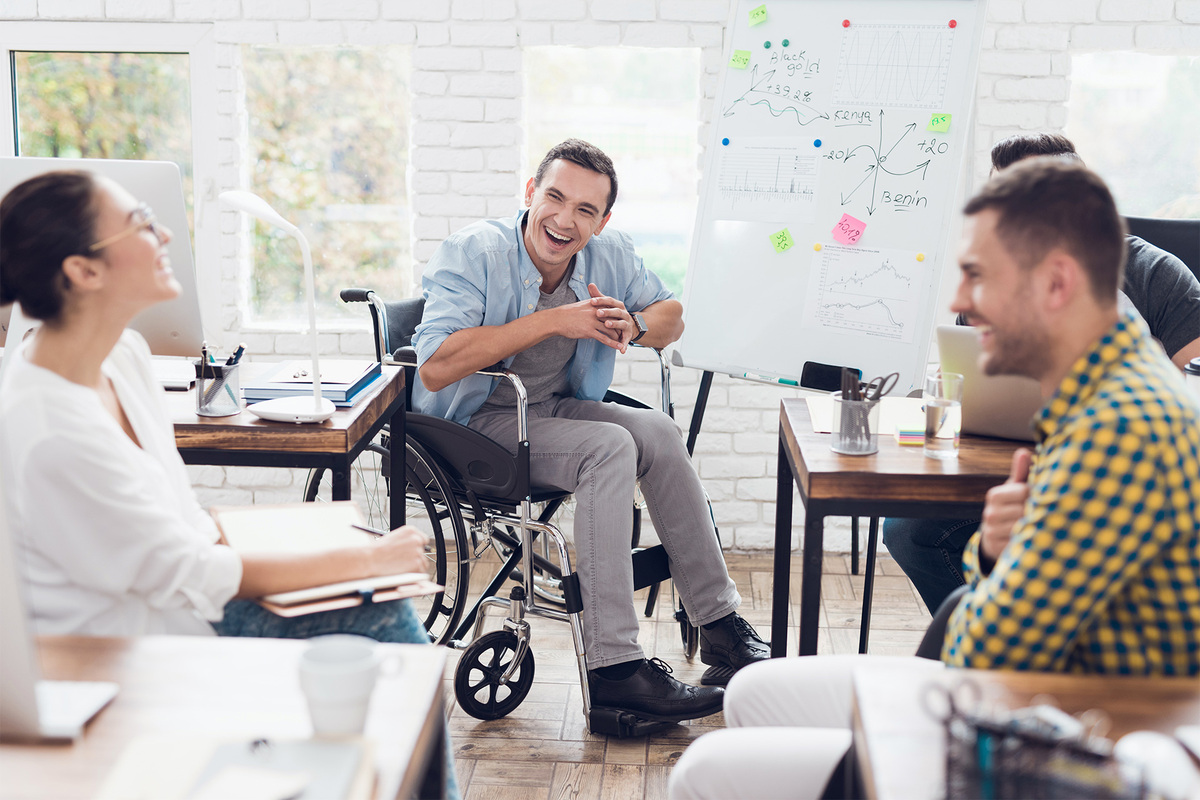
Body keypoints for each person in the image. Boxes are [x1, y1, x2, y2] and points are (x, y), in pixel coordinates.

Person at [668, 159, 1200, 799]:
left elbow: (982, 658)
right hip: (1036, 697)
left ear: (1056, 283)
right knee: (753, 690)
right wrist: (997, 554)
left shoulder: (1117, 431)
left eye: (980, 276)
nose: (959, 302)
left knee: (704, 771)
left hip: (1075, 734)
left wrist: (992, 562)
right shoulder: (1103, 391)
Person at [0, 171, 459, 798]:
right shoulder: (49, 427)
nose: (163, 234)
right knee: (383, 617)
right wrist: (365, 560)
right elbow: (188, 572)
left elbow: (180, 521)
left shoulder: (122, 356)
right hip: (127, 648)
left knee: (380, 607)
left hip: (183, 599)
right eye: (140, 224)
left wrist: (331, 552)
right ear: (83, 271)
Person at [411, 139, 769, 723]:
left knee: (658, 432)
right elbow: (435, 365)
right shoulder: (474, 252)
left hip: (552, 409)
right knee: (609, 448)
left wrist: (636, 323)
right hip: (471, 423)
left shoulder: (610, 254)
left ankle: (721, 628)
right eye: (554, 197)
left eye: (585, 210)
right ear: (531, 192)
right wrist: (556, 320)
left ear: (602, 220)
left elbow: (673, 316)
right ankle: (615, 670)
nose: (564, 219)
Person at [884, 131, 1200, 613]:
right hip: (1010, 469)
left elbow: (1193, 382)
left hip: (1118, 477)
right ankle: (995, 629)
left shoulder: (1155, 273)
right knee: (909, 531)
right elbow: (972, 382)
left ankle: (1011, 632)